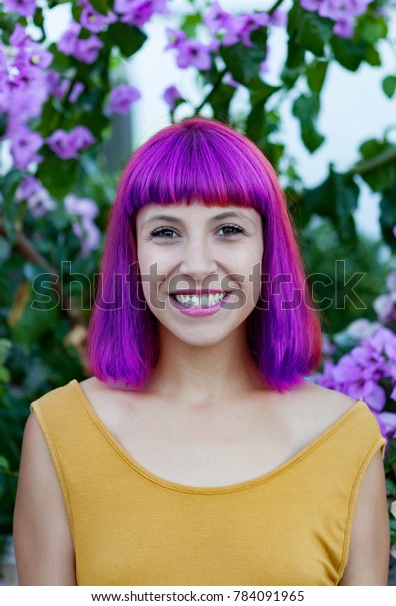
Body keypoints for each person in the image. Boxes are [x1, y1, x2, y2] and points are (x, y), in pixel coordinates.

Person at [13, 117, 390, 586]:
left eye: (229, 229)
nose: (195, 266)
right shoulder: (58, 432)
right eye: (166, 232)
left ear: (267, 250)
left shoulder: (345, 438)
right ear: (132, 252)